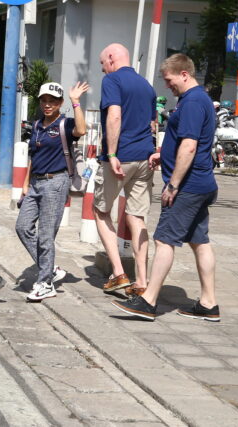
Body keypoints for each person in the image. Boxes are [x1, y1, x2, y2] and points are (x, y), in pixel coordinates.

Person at [113, 53, 220, 322]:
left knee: (164, 240)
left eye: (169, 80)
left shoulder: (194, 102)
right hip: (201, 183)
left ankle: (148, 301)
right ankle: (209, 304)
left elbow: (190, 145)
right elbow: (186, 142)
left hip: (187, 186)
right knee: (199, 241)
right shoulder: (197, 99)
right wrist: (164, 154)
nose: (167, 85)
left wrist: (173, 184)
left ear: (184, 74)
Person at [16, 81, 89, 302]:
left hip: (56, 183)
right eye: (44, 100)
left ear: (60, 103)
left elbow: (82, 130)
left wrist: (76, 102)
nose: (47, 105)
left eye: (53, 101)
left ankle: (45, 283)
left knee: (46, 235)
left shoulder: (64, 124)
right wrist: (25, 185)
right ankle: (49, 269)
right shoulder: (37, 125)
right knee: (22, 227)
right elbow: (32, 157)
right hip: (36, 183)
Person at [95, 43, 157, 298]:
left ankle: (119, 273)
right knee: (137, 216)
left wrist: (111, 153)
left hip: (121, 157)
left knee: (100, 211)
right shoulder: (147, 86)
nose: (103, 70)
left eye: (102, 64)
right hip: (145, 157)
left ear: (111, 58)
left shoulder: (113, 81)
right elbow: (153, 124)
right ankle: (142, 280)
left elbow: (114, 116)